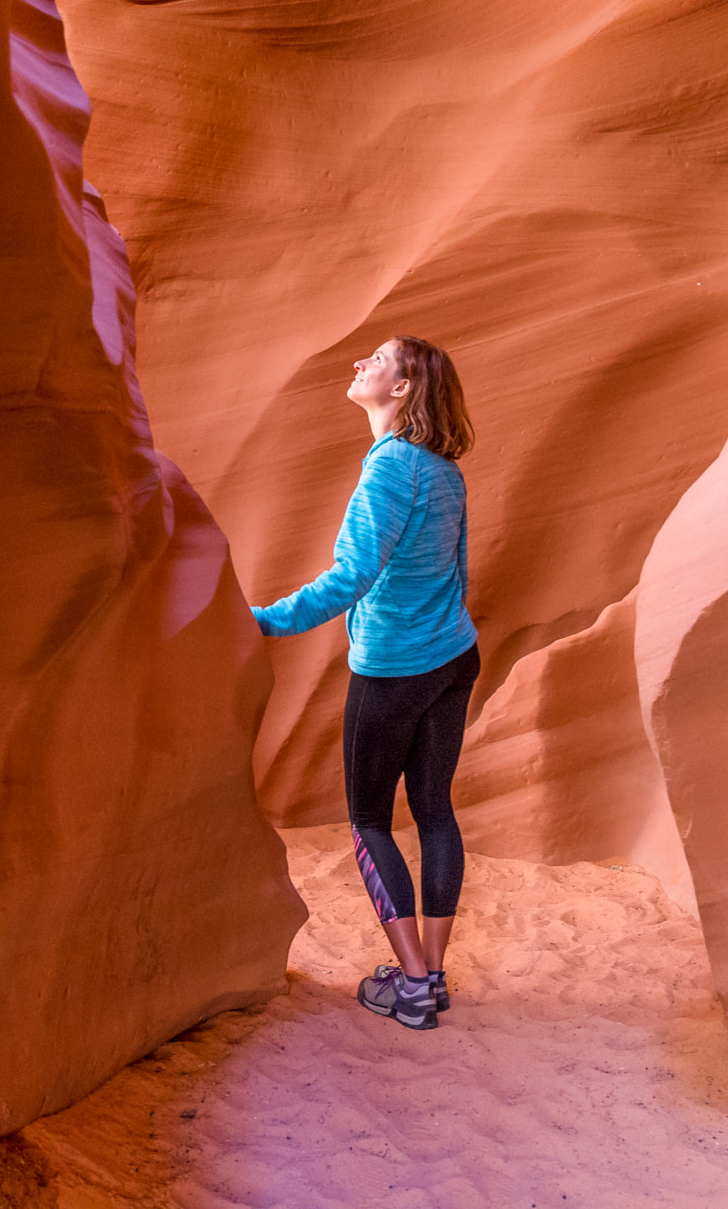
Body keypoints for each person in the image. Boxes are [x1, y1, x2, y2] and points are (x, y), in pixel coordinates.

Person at [251, 336, 478, 1031]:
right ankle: (432, 974)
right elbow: (457, 571)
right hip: (453, 657)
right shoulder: (444, 471)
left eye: (376, 359)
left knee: (371, 821)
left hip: (393, 671)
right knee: (435, 809)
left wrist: (259, 622)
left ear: (404, 387)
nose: (360, 364)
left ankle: (409, 985)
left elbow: (351, 577)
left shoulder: (389, 472)